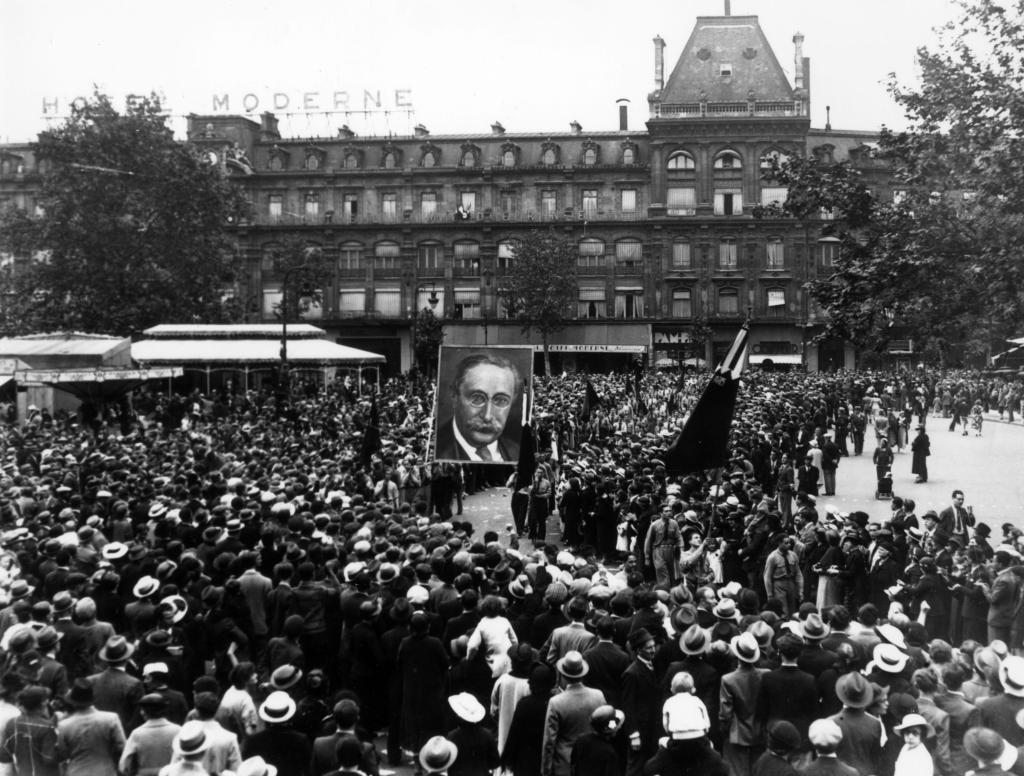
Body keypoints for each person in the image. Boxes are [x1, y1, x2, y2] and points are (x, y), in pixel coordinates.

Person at [435, 353, 523, 462]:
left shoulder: (519, 452)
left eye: (501, 400)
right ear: (454, 395)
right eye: (477, 398)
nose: (487, 416)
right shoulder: (435, 450)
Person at [541, 651, 606, 776]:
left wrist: (546, 770)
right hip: (593, 761)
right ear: (583, 673)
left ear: (563, 675)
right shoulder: (598, 696)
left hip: (565, 764)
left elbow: (549, 741)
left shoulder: (556, 702)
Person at [55, 679, 126, 776]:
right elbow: (121, 747)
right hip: (105, 771)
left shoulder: (64, 725)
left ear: (73, 702)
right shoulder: (111, 718)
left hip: (76, 771)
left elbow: (62, 754)